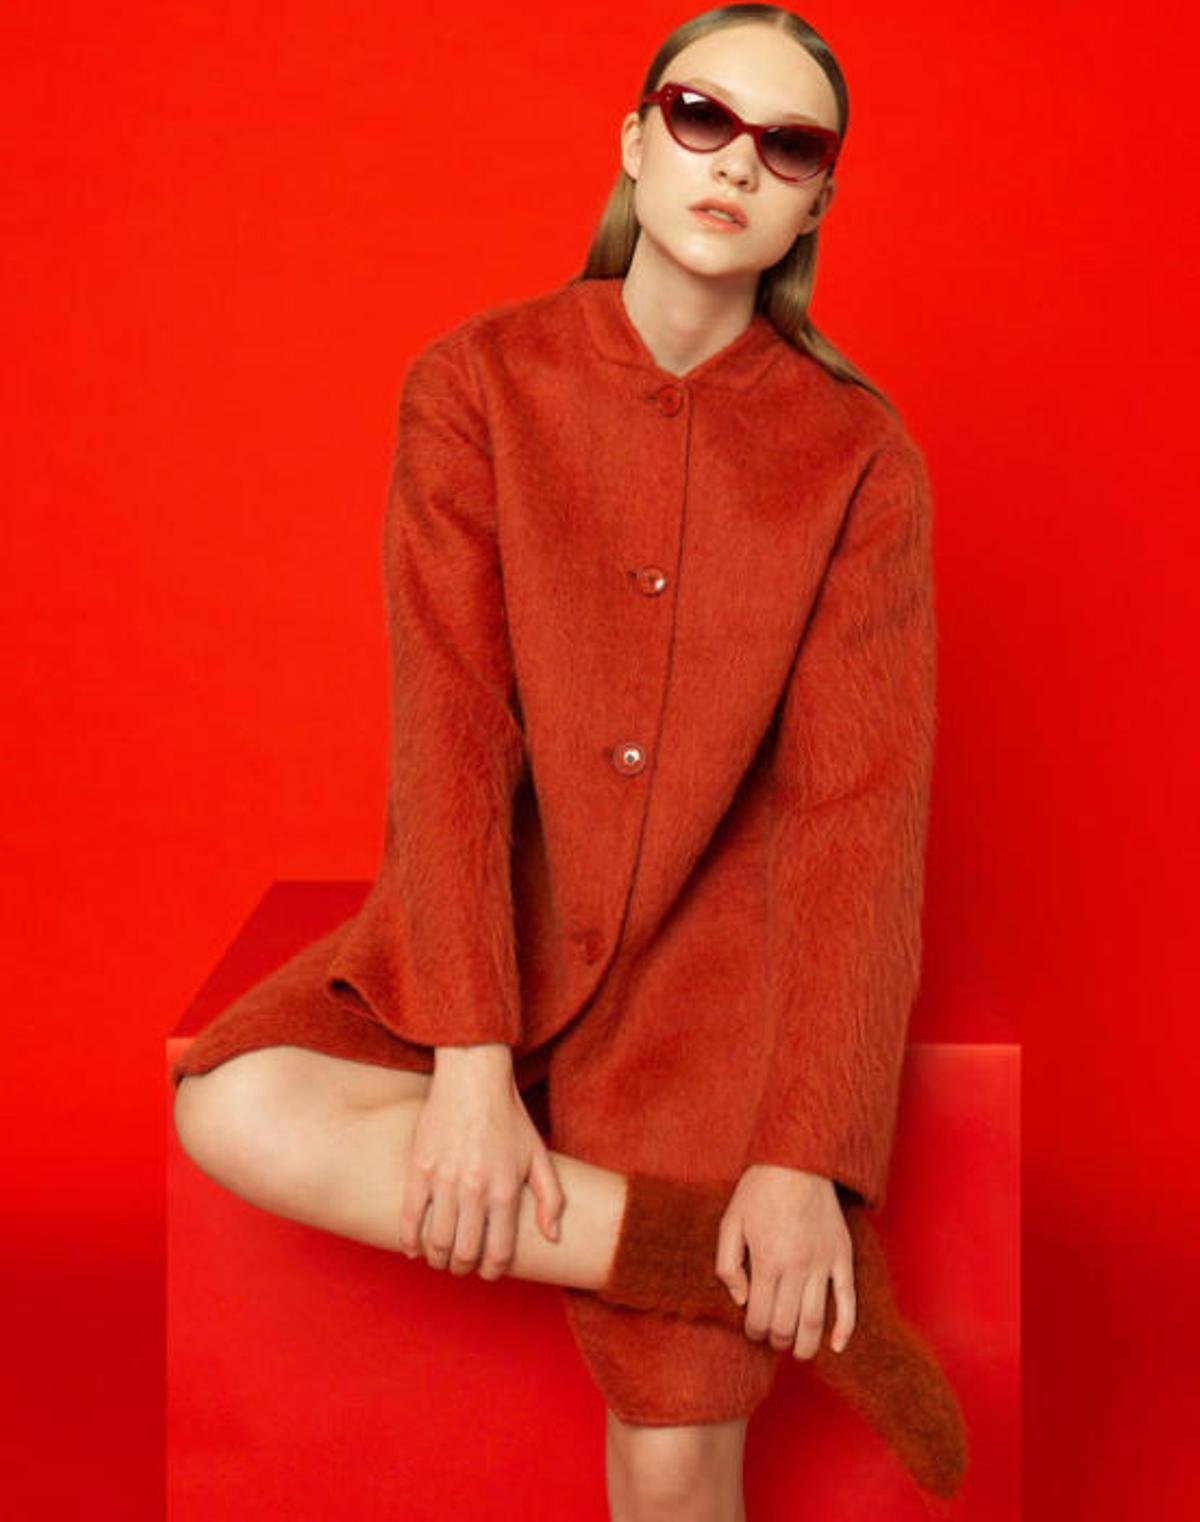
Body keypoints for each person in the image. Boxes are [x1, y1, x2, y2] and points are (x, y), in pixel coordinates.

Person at [172, 6, 968, 1517]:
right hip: (507, 927)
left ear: (816, 203)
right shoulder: (476, 382)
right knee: (232, 1104)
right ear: (636, 141)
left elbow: (856, 820)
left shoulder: (859, 458)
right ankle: (698, 1256)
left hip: (714, 980)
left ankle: (739, 1253)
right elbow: (453, 729)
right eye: (701, 117)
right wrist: (473, 1061)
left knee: (674, 1457)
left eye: (788, 145)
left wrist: (805, 1160)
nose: (735, 163)